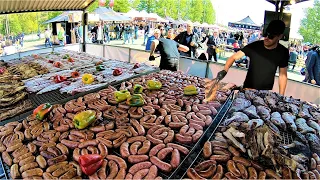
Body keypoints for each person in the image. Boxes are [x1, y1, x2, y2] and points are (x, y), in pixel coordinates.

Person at [214, 20, 289, 95]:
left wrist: (281, 96)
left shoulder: (283, 52)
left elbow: (282, 75)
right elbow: (234, 57)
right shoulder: (254, 46)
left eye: (271, 36)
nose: (266, 38)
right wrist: (225, 70)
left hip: (264, 93)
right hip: (247, 89)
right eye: (265, 34)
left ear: (280, 36)